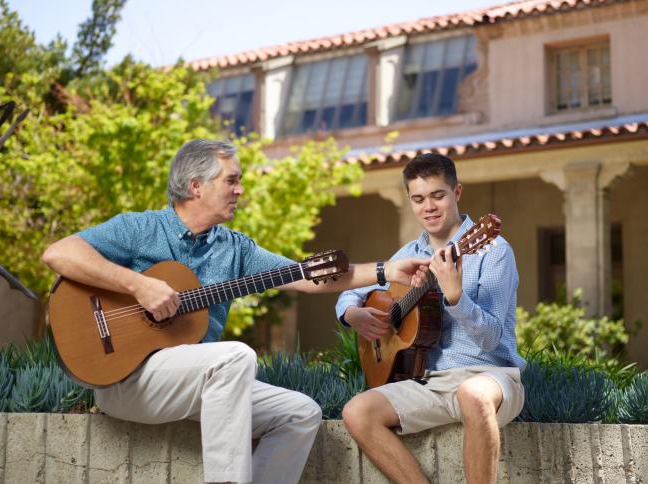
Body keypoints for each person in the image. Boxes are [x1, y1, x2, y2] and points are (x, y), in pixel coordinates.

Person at [42, 139, 429, 484]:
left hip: (195, 384)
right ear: (197, 186)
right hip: (126, 379)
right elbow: (58, 253)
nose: (240, 190)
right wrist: (138, 285)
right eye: (231, 180)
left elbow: (307, 277)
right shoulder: (142, 229)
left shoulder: (235, 249)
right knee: (236, 355)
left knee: (300, 413)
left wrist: (385, 270)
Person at [336, 153, 525, 484]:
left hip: (491, 377)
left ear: (457, 192)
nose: (429, 207)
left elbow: (492, 340)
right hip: (431, 382)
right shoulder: (409, 254)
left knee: (472, 394)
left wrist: (455, 297)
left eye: (438, 195)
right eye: (418, 199)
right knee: (357, 412)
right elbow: (351, 293)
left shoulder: (491, 250)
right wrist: (355, 315)